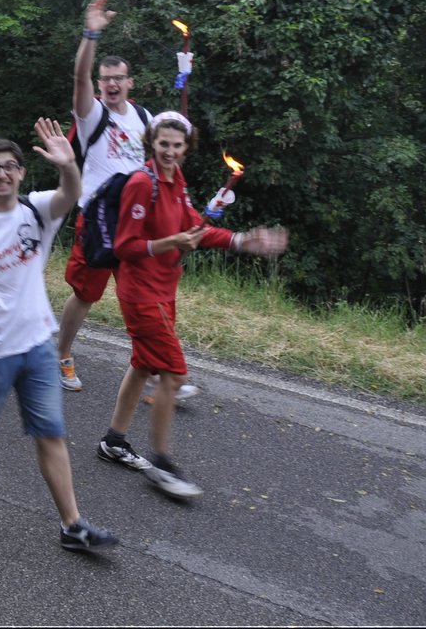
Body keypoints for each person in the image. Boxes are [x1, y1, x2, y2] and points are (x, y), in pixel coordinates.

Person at [0, 121, 119, 552]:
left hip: (36, 345)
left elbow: (71, 194)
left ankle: (72, 525)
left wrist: (69, 165)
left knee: (50, 431)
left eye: (11, 167)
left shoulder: (37, 210)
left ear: (21, 173)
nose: (2, 174)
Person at [95, 111, 288, 499]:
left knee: (143, 365)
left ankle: (114, 440)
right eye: (163, 144)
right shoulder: (140, 183)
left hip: (165, 289)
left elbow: (196, 230)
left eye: (177, 146)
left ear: (186, 149)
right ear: (152, 143)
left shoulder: (176, 181)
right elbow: (124, 247)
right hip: (141, 292)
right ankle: (162, 464)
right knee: (173, 375)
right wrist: (171, 243)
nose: (169, 151)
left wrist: (241, 241)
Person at [53, 0, 166, 394]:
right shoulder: (93, 114)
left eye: (119, 77)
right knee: (85, 294)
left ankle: (153, 366)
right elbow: (79, 77)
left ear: (130, 81)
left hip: (135, 220)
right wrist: (91, 34)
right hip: (99, 218)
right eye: (106, 79)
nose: (112, 84)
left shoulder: (146, 119)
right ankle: (62, 353)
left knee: (141, 295)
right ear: (100, 84)